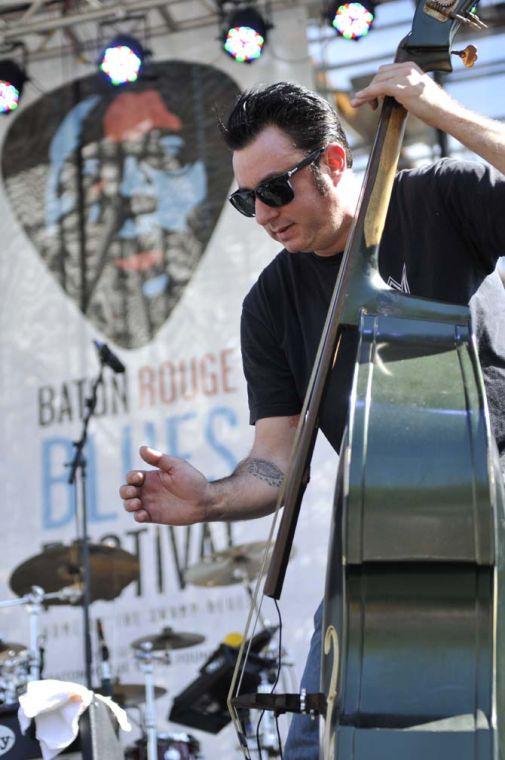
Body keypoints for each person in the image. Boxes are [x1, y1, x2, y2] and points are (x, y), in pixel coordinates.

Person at [120, 62, 505, 758]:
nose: (263, 214)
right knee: (315, 746)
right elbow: (275, 462)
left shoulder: (445, 198)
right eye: (246, 201)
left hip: (492, 514)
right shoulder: (268, 305)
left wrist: (440, 111)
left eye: (274, 189)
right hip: (378, 555)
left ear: (332, 160)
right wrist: (210, 498)